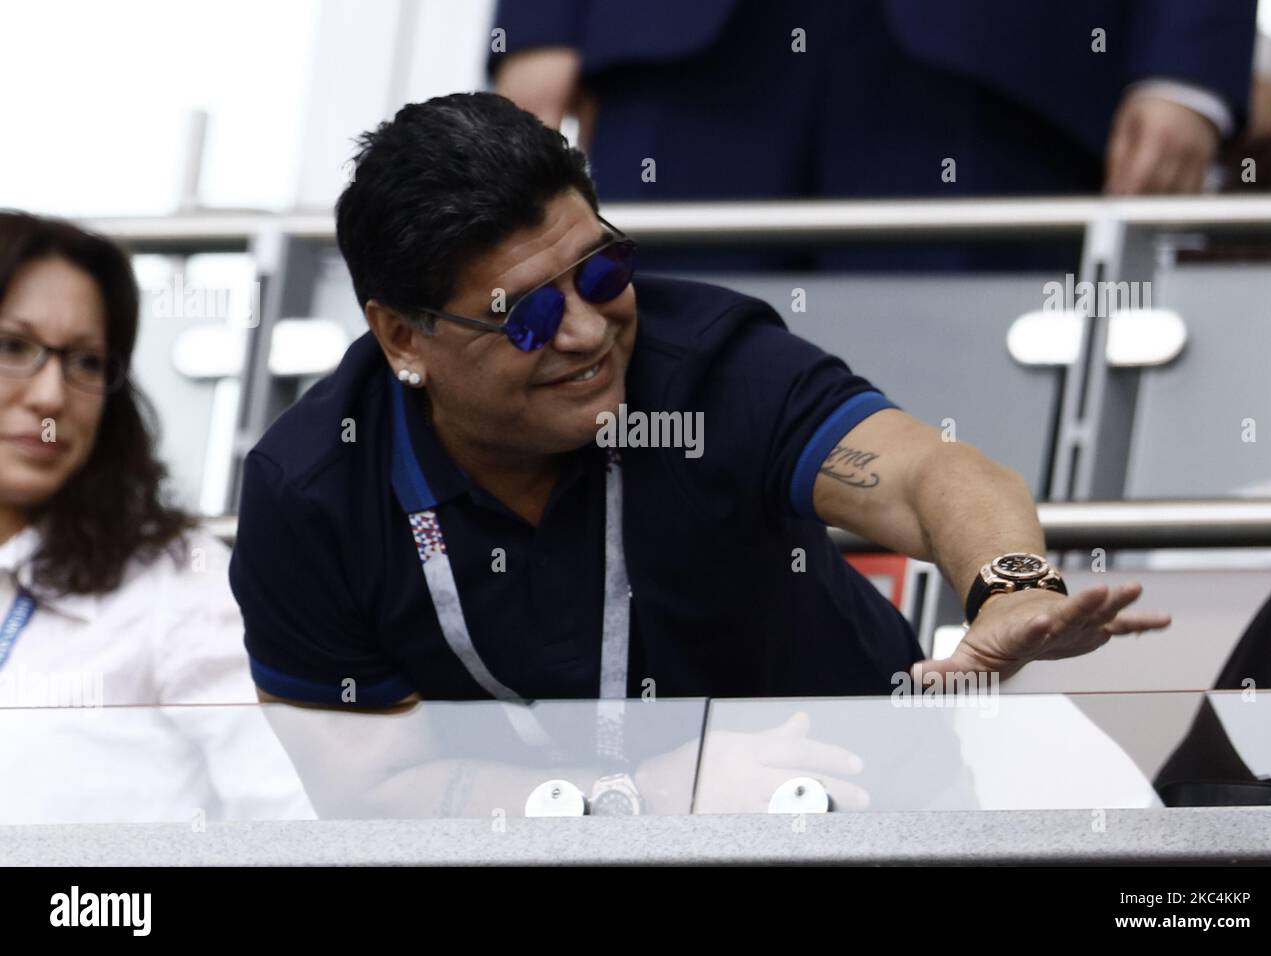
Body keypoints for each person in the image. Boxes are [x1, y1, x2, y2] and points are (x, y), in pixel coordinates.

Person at [230, 92, 1170, 711]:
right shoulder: (312, 490)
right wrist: (651, 806)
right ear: (403, 337)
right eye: (527, 316)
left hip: (851, 817)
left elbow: (928, 472)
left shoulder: (707, 365)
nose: (589, 333)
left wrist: (1007, 585)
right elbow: (361, 780)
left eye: (602, 270)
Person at [491, 0, 1257, 271]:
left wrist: (1187, 62)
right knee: (658, 400)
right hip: (684, 55)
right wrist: (541, 20)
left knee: (963, 417)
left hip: (1003, 59)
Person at [0, 210, 312, 823]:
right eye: (14, 347)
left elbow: (304, 830)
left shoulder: (179, 586)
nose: (50, 396)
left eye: (86, 362)